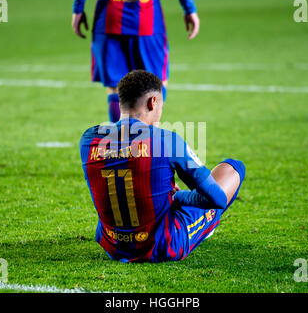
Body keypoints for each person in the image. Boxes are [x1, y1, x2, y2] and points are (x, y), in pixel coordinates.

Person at [79, 70, 245, 262]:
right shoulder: (168, 141)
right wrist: (178, 197)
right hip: (162, 246)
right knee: (234, 167)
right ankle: (202, 229)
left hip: (113, 245)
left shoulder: (88, 139)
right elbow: (216, 199)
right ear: (153, 102)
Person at [72, 0, 200, 122]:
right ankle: (147, 138)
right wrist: (189, 8)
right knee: (155, 85)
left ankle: (122, 138)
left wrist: (78, 9)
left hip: (109, 18)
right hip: (146, 18)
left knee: (116, 88)